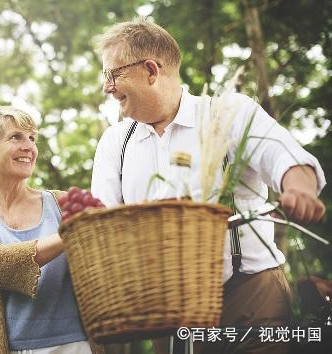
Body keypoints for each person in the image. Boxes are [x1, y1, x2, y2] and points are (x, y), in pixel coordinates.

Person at [90, 18, 326, 354]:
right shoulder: (116, 142)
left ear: (151, 70)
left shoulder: (227, 113)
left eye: (112, 74)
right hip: (167, 315)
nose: (107, 87)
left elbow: (284, 156)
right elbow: (102, 219)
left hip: (249, 298)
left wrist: (299, 187)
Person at [0, 106, 104, 354]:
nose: (29, 147)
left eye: (32, 138)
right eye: (15, 137)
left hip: (73, 345)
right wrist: (70, 234)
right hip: (1, 347)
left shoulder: (63, 204)